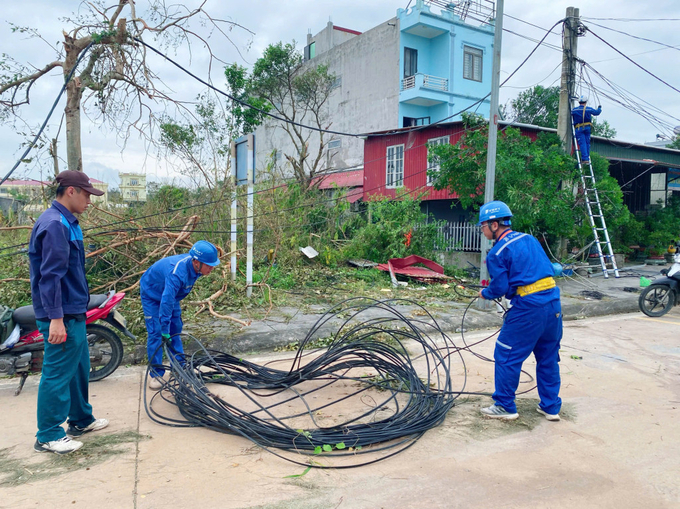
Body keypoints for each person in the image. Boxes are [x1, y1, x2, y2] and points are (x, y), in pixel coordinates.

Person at [28, 170, 110, 455]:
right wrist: (56, 319)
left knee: (78, 369)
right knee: (58, 373)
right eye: (87, 194)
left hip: (74, 310)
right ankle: (48, 434)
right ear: (71, 191)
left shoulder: (68, 222)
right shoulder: (55, 225)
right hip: (60, 314)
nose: (90, 200)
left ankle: (81, 420)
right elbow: (50, 277)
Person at [477, 201, 563, 421]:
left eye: (483, 226)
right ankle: (551, 408)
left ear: (494, 225)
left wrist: (485, 293)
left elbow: (500, 287)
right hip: (553, 304)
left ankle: (505, 406)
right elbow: (549, 268)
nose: (482, 230)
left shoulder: (497, 253)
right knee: (548, 357)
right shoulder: (530, 239)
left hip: (528, 309)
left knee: (506, 354)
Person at [140, 240, 220, 390]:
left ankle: (179, 367)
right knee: (156, 333)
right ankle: (157, 374)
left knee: (175, 330)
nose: (212, 268)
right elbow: (166, 302)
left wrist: (169, 327)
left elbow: (170, 298)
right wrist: (164, 328)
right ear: (196, 262)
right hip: (152, 294)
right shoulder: (177, 273)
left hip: (170, 295)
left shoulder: (197, 268)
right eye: (209, 265)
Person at [571, 95, 602, 164]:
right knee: (587, 143)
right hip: (587, 128)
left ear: (579, 102)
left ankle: (585, 158)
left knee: (582, 143)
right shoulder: (588, 109)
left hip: (579, 128)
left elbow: (570, 113)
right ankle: (586, 158)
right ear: (586, 102)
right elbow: (597, 112)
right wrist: (599, 108)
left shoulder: (575, 110)